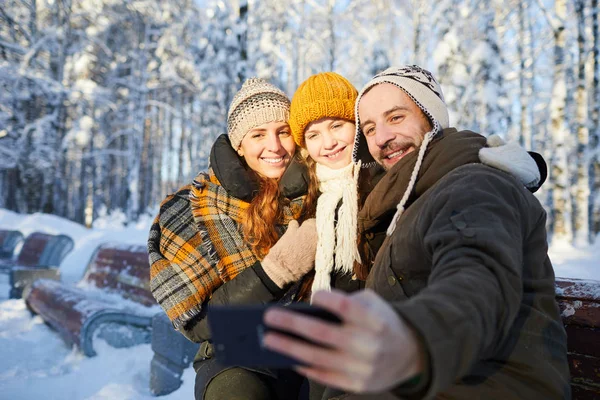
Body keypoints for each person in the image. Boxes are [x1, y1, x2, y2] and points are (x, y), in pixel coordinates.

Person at [263, 66, 570, 399]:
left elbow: (477, 280)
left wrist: (414, 342)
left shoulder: (473, 185)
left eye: (396, 118)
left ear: (431, 116)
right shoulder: (403, 204)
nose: (382, 137)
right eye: (370, 128)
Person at [148, 78, 317, 400]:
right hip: (237, 355)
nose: (275, 146)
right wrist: (277, 271)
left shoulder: (319, 192)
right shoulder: (192, 208)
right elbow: (196, 322)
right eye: (258, 135)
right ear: (238, 145)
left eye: (283, 132)